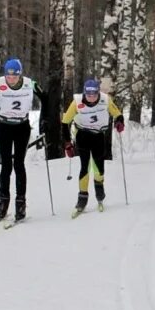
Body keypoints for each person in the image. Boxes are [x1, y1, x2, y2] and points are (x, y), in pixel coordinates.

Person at [0, 57, 50, 222]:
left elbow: (45, 98)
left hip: (21, 127)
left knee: (19, 164)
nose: (11, 78)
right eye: (8, 75)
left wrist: (44, 119)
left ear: (20, 74)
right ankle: (3, 201)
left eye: (14, 76)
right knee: (6, 165)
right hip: (3, 127)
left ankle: (21, 203)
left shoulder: (29, 83)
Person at [60, 78, 124, 214]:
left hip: (99, 136)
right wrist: (67, 143)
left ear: (98, 93)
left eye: (94, 94)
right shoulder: (77, 102)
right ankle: (82, 198)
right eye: (88, 95)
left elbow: (117, 113)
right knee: (85, 166)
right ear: (84, 93)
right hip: (82, 135)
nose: (91, 98)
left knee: (99, 167)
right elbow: (65, 122)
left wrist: (119, 122)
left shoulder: (105, 100)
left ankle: (99, 193)